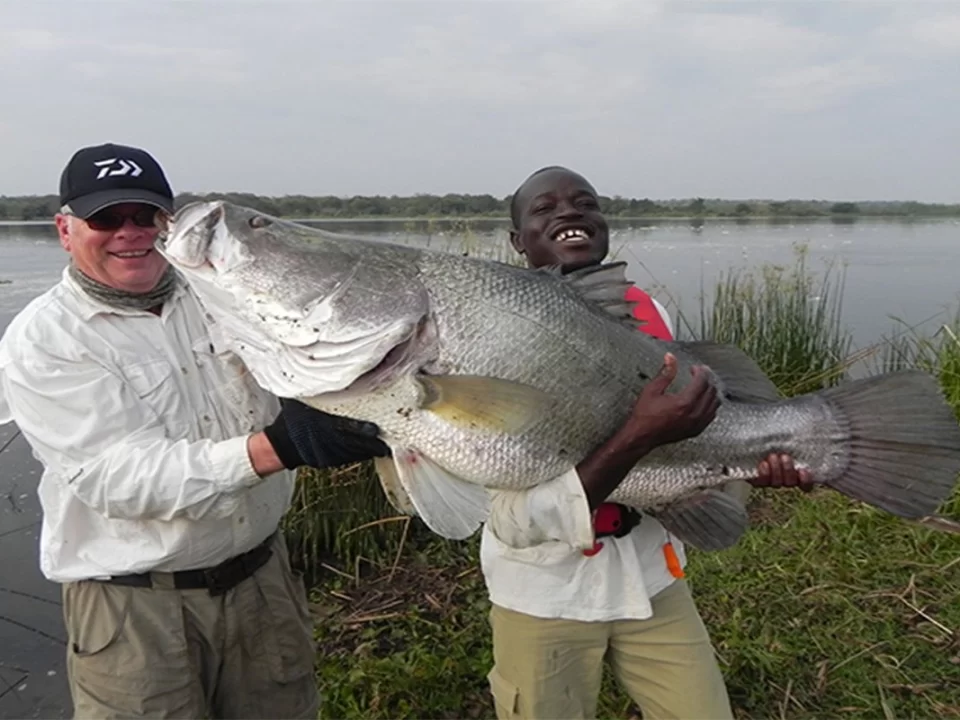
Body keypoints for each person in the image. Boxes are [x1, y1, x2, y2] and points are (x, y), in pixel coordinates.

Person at [0, 143, 390, 719]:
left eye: (145, 216)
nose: (128, 233)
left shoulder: (224, 294)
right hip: (134, 610)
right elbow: (116, 479)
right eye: (105, 219)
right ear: (64, 229)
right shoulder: (44, 340)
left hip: (263, 582)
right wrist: (277, 447)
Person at [480, 165, 812, 720]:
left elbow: (700, 430)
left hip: (652, 575)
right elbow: (512, 501)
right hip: (544, 591)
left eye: (585, 202)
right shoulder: (492, 329)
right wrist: (638, 436)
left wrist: (759, 461)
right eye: (544, 208)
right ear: (518, 242)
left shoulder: (647, 309)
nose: (569, 212)